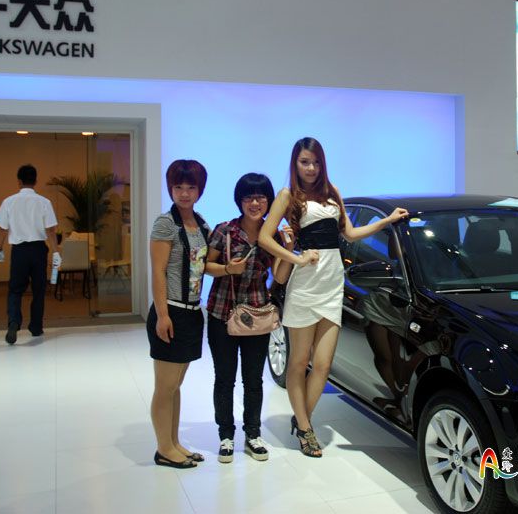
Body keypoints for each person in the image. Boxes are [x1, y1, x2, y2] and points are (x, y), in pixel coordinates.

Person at [258, 137, 408, 457]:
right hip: (304, 286)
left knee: (323, 365)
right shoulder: (287, 195)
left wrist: (386, 221)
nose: (311, 168)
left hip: (331, 285)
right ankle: (305, 427)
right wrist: (296, 257)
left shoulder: (332, 191)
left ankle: (302, 420)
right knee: (299, 362)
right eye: (304, 162)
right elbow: (264, 237)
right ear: (295, 163)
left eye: (315, 162)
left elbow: (349, 233)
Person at [204, 173, 294, 463]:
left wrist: (289, 249)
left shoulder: (273, 236)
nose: (255, 203)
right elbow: (206, 266)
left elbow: (279, 277)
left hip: (257, 314)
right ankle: (226, 435)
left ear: (268, 201)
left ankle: (253, 434)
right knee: (224, 378)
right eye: (248, 197)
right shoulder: (225, 230)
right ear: (239, 201)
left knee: (254, 379)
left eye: (260, 197)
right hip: (222, 313)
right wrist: (227, 269)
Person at [146, 159, 210, 469]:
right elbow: (158, 272)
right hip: (170, 311)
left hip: (193, 312)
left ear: (200, 190)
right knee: (165, 386)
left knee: (176, 385)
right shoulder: (165, 224)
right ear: (170, 188)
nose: (184, 193)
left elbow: (201, 266)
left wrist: (229, 268)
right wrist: (162, 315)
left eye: (191, 187)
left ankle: (173, 443)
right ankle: (163, 449)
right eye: (178, 187)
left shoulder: (201, 224)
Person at [0, 164, 61, 345]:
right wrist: (56, 252)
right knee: (39, 290)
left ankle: (14, 322)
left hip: (19, 251)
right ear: (35, 181)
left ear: (19, 181)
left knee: (15, 289)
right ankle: (36, 327)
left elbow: (2, 229)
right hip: (38, 250)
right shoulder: (44, 202)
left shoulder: (9, 202)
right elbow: (51, 230)